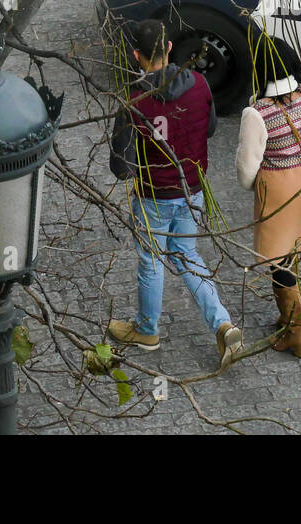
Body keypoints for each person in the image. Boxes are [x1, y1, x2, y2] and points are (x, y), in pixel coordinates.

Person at [108, 19, 242, 369]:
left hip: (154, 194)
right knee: (186, 254)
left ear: (137, 55)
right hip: (192, 189)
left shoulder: (135, 100)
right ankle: (223, 323)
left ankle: (147, 330)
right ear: (169, 49)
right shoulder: (199, 83)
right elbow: (210, 129)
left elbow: (120, 167)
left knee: (151, 260)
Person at [235, 37, 301, 358]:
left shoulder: (257, 113)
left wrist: (254, 184)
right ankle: (290, 317)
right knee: (297, 249)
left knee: (280, 264)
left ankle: (295, 334)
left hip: (280, 194)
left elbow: (247, 168)